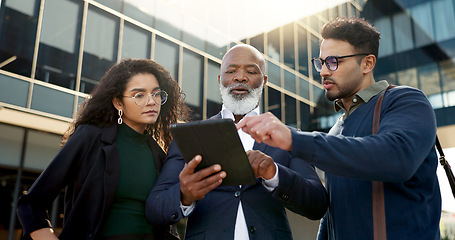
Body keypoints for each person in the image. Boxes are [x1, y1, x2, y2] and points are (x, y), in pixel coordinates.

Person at [237, 17, 442, 240]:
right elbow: (333, 213)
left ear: (367, 64)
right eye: (321, 62)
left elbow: (396, 157)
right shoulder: (336, 129)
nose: (323, 71)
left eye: (334, 61)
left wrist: (293, 139)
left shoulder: (405, 100)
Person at [146, 44, 328, 240]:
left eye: (251, 71)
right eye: (231, 71)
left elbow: (317, 204)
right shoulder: (191, 135)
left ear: (264, 81)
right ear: (220, 79)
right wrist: (184, 195)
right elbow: (155, 208)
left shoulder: (287, 136)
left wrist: (274, 173)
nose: (240, 77)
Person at [17, 58, 189, 240]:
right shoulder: (91, 137)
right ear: (118, 103)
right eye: (139, 95)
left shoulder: (159, 152)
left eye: (156, 94)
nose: (151, 101)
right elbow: (31, 205)